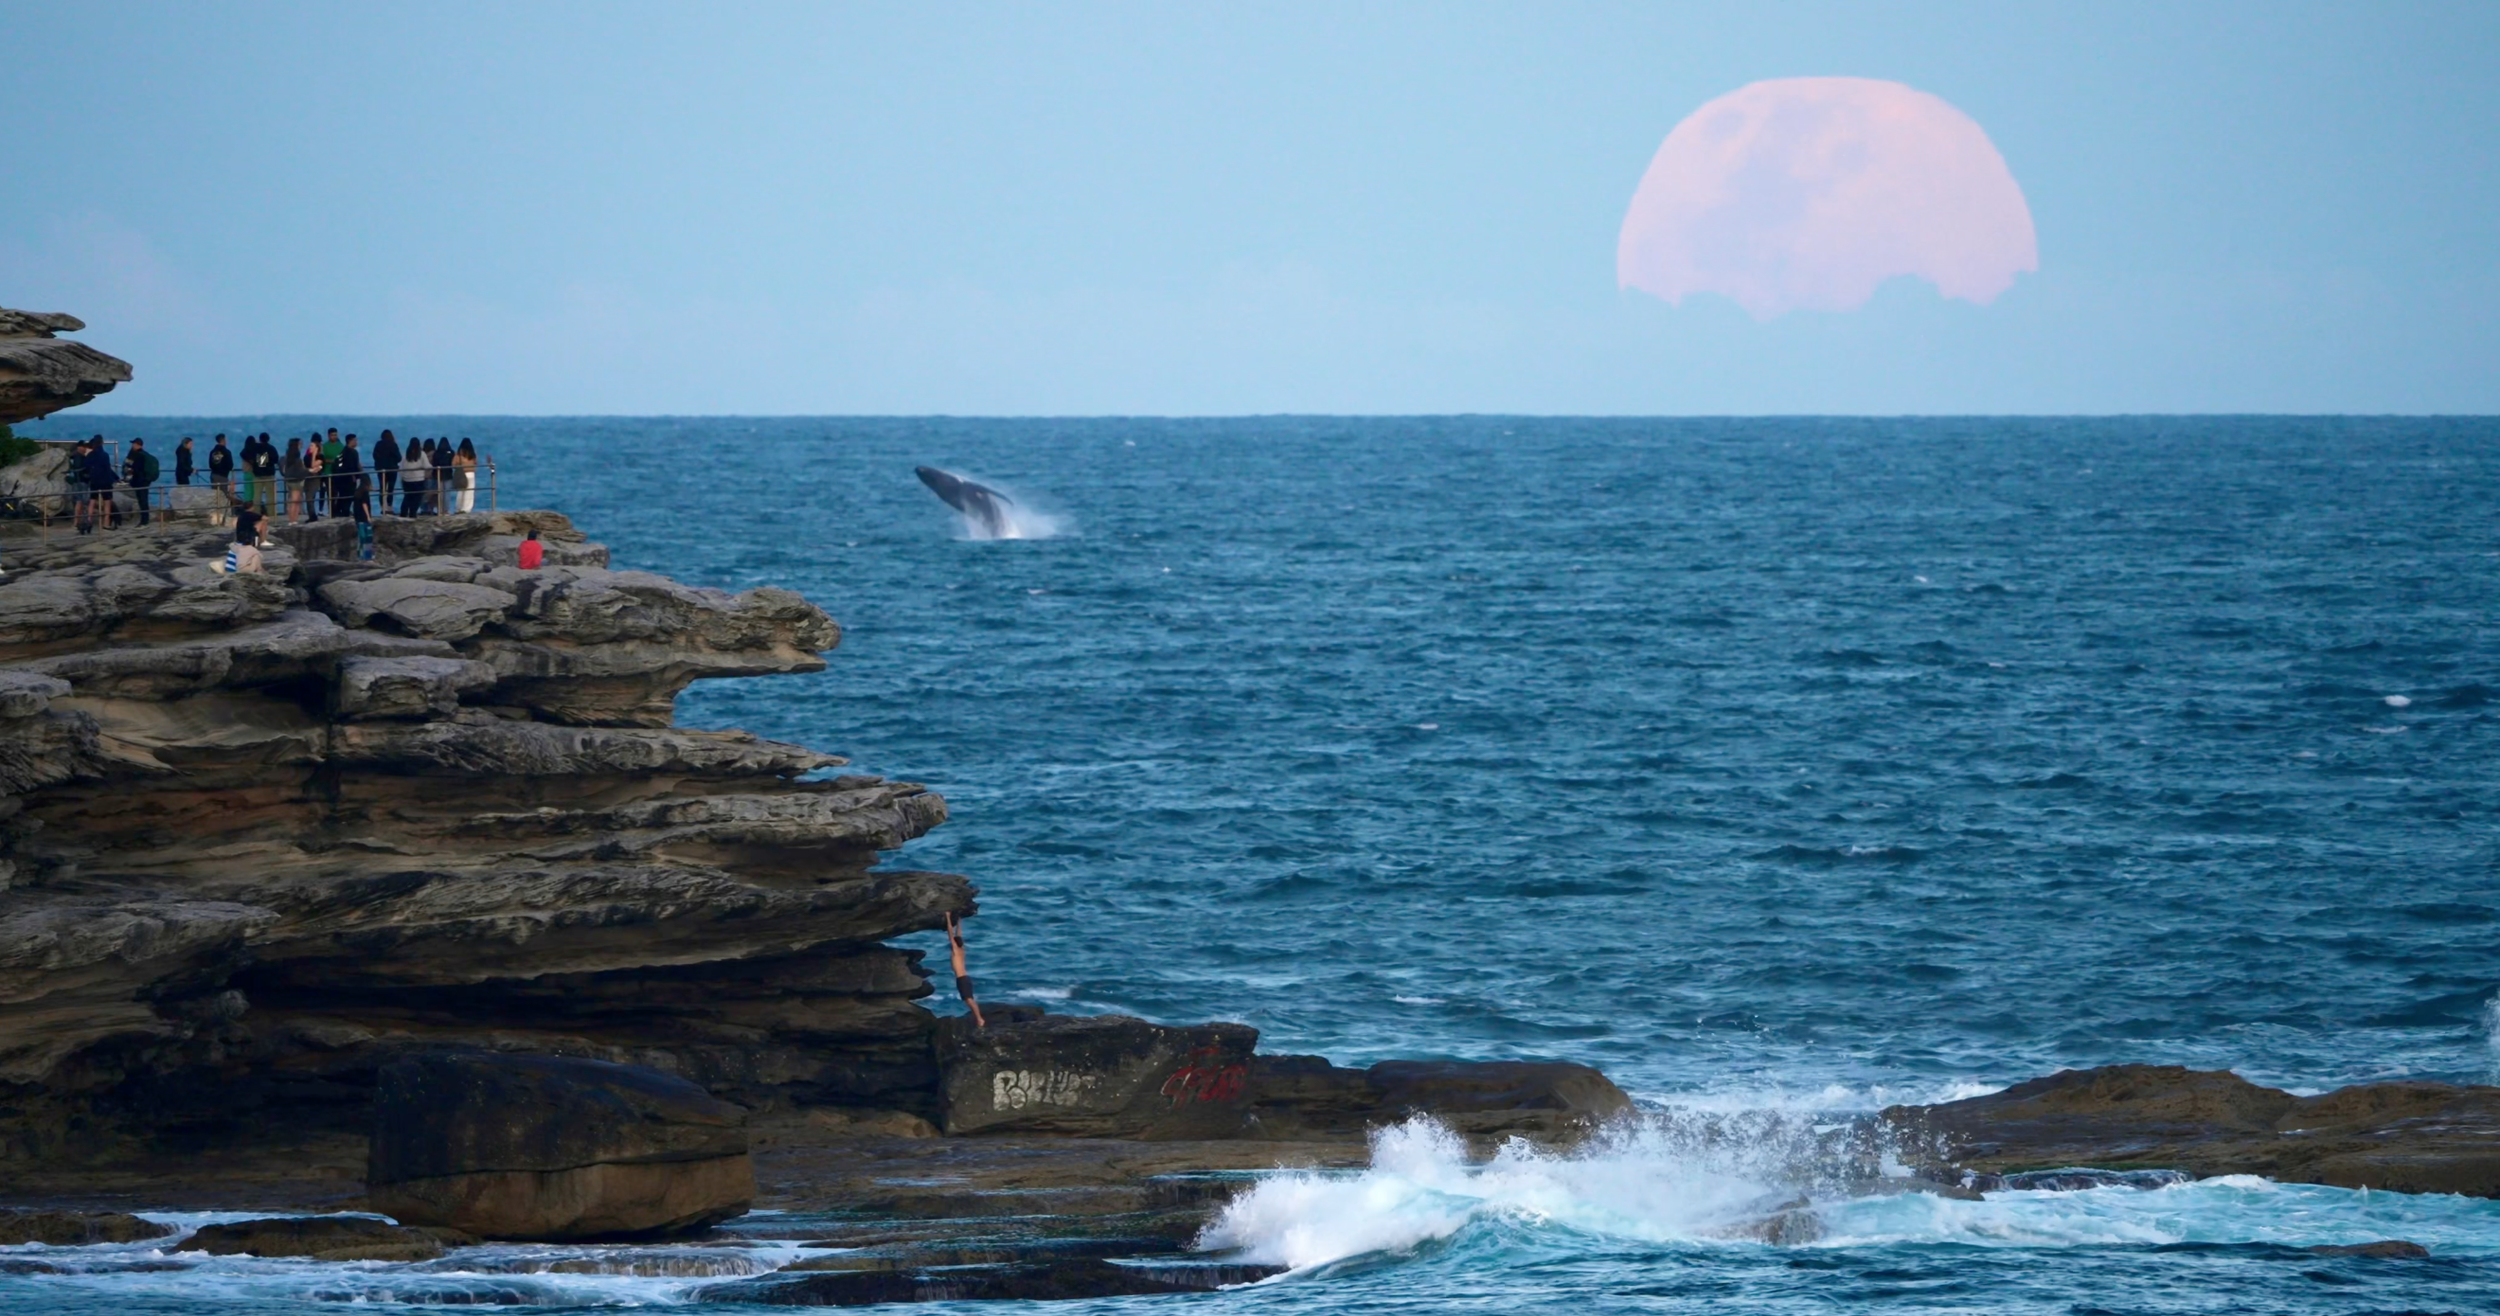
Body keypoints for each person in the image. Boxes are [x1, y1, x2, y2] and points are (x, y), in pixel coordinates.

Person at [945, 912, 986, 1029]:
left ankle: (979, 1019)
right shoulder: (961, 950)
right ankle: (979, 1018)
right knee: (969, 1000)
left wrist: (948, 917)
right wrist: (958, 921)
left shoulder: (955, 950)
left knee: (969, 1000)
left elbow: (950, 934)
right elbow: (958, 935)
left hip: (962, 979)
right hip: (965, 977)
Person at [80, 436, 118, 531]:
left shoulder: (90, 455)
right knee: (107, 502)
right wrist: (116, 478)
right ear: (102, 443)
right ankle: (106, 523)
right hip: (105, 481)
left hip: (94, 481)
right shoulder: (105, 455)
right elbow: (107, 469)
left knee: (92, 501)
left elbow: (86, 467)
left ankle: (89, 521)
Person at [122, 438, 158, 527]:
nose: (132, 446)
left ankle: (144, 520)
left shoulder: (138, 456)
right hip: (145, 480)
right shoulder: (142, 455)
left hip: (141, 481)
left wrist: (130, 472)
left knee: (142, 500)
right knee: (143, 500)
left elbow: (136, 469)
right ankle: (145, 520)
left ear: (138, 445)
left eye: (134, 444)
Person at [207, 434, 234, 525]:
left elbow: (211, 464)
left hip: (214, 475)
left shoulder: (213, 452)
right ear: (223, 440)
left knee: (215, 496)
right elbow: (230, 465)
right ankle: (224, 517)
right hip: (222, 476)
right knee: (223, 496)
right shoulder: (226, 452)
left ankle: (215, 516)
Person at [336, 434, 365, 519]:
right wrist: (357, 475)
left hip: (342, 478)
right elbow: (354, 465)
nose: (356, 442)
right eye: (355, 440)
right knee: (349, 496)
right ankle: (345, 512)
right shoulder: (353, 452)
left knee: (343, 496)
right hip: (350, 478)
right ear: (350, 441)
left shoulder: (343, 451)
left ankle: (340, 511)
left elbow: (340, 463)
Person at [399, 439, 430, 517]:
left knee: (407, 497)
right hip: (418, 479)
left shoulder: (406, 454)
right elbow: (427, 465)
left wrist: (402, 478)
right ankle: (413, 513)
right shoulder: (422, 454)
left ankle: (403, 512)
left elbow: (401, 467)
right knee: (417, 498)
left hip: (407, 480)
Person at [372, 429, 401, 513]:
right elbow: (399, 458)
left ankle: (382, 507)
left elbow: (375, 456)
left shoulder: (378, 444)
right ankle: (389, 507)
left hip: (381, 469)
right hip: (392, 469)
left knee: (382, 488)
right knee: (390, 489)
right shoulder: (393, 445)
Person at [429, 436, 453, 515]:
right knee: (447, 493)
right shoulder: (451, 452)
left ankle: (440, 509)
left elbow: (434, 463)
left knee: (440, 493)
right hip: (448, 475)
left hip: (438, 476)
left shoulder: (436, 453)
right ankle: (446, 510)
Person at [453, 438, 479, 513]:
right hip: (471, 474)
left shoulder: (459, 454)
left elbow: (453, 464)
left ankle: (459, 508)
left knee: (461, 492)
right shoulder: (473, 454)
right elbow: (476, 463)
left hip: (462, 474)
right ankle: (467, 509)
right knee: (470, 492)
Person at [352, 491, 375, 561]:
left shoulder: (357, 493)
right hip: (364, 519)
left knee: (362, 538)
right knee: (367, 538)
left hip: (358, 519)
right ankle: (367, 556)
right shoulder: (365, 493)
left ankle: (361, 555)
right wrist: (368, 516)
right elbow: (364, 504)